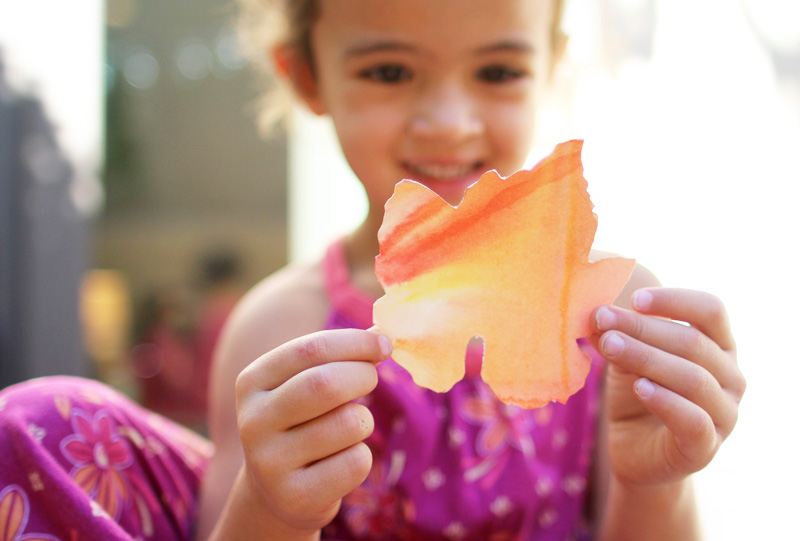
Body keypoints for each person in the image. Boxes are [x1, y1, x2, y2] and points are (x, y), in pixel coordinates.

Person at [0, 1, 745, 540]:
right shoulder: (278, 331)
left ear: (552, 64)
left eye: (498, 69)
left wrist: (659, 477)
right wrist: (273, 507)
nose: (449, 120)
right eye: (390, 69)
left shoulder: (614, 313)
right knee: (31, 425)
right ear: (307, 77)